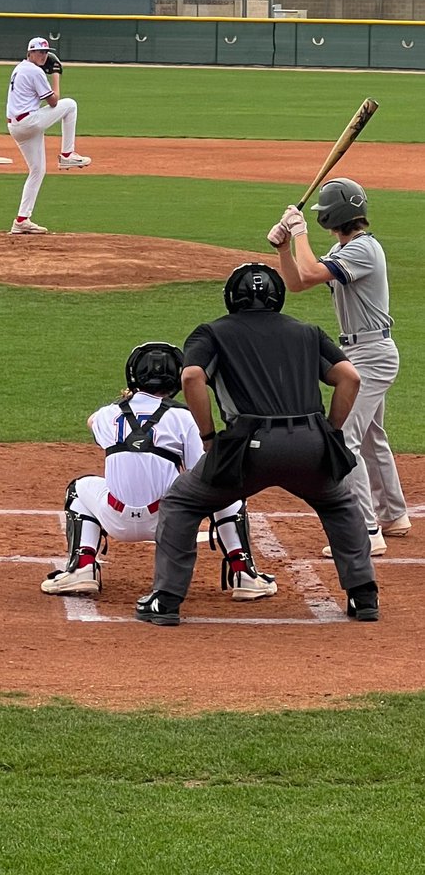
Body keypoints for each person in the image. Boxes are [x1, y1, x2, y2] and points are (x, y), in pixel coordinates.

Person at [135, 263, 380, 627]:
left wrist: (207, 436)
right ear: (277, 296)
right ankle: (364, 598)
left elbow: (191, 376)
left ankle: (167, 600)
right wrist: (329, 431)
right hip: (311, 442)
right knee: (340, 503)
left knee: (182, 503)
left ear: (232, 297)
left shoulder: (212, 332)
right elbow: (350, 378)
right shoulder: (308, 331)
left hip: (247, 447)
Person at [40, 341, 276, 601]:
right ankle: (245, 574)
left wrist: (126, 403)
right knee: (224, 487)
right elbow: (201, 470)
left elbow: (92, 422)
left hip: (116, 519)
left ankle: (82, 567)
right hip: (171, 520)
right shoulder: (184, 417)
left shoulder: (109, 414)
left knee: (79, 488)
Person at [268, 178, 410, 557]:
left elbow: (311, 271)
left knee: (345, 437)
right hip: (363, 352)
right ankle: (394, 514)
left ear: (333, 214)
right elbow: (298, 283)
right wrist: (284, 247)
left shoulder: (365, 250)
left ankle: (365, 531)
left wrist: (298, 233)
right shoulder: (344, 248)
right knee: (370, 436)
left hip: (372, 355)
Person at [6, 36, 91, 235]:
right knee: (70, 105)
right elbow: (54, 101)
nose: (43, 55)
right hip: (29, 123)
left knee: (37, 171)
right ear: (30, 53)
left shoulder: (19, 68)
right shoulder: (35, 72)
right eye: (39, 52)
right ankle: (67, 155)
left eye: (45, 52)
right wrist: (56, 75)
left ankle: (21, 220)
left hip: (17, 126)